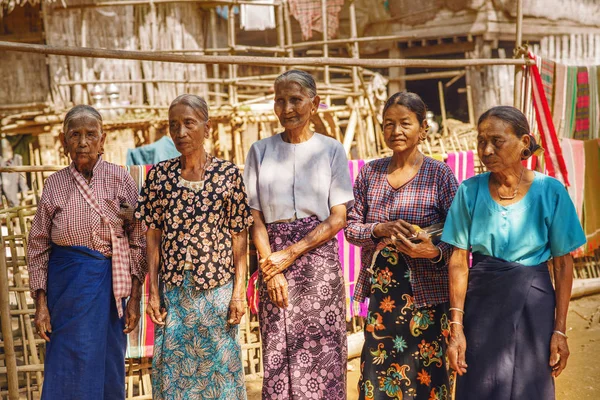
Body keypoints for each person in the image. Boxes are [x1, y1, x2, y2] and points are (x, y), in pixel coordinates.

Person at [442, 106, 586, 400]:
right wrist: (457, 328)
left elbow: (562, 264)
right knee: (479, 383)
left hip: (534, 305)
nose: (487, 149)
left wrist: (559, 331)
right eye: (481, 141)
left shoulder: (551, 192)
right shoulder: (469, 191)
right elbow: (458, 261)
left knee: (529, 385)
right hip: (481, 306)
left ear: (524, 142)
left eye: (497, 140)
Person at [244, 69, 354, 399]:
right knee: (279, 349)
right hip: (271, 260)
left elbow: (338, 218)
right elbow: (255, 219)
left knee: (324, 352)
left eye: (295, 99)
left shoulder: (331, 150)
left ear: (315, 103)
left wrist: (290, 253)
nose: (287, 107)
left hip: (318, 265)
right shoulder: (259, 151)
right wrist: (270, 268)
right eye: (280, 100)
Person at [136, 94, 253, 400]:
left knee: (220, 368)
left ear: (207, 127)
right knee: (174, 371)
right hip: (174, 291)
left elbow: (239, 235)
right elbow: (152, 236)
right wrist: (153, 292)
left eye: (189, 123)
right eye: (173, 125)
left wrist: (239, 293)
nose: (181, 132)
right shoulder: (159, 176)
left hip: (217, 291)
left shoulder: (228, 175)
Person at [27, 105, 147, 399]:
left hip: (110, 289)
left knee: (109, 363)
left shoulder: (120, 179)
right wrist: (41, 304)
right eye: (75, 135)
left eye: (91, 134)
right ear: (63, 141)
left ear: (103, 139)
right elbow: (38, 245)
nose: (83, 142)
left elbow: (139, 238)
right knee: (69, 361)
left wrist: (134, 298)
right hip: (66, 290)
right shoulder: (55, 184)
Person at [345, 91, 458, 400]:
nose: (396, 131)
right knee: (378, 377)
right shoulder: (370, 173)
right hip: (383, 298)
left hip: (427, 297)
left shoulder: (440, 175)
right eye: (389, 124)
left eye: (405, 123)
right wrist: (379, 228)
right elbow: (351, 229)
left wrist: (433, 251)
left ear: (422, 129)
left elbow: (461, 236)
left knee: (427, 378)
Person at [0, 138, 29, 207]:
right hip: (6, 185)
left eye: (9, 149)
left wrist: (24, 190)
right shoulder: (1, 161)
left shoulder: (17, 159)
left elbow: (21, 176)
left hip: (14, 184)